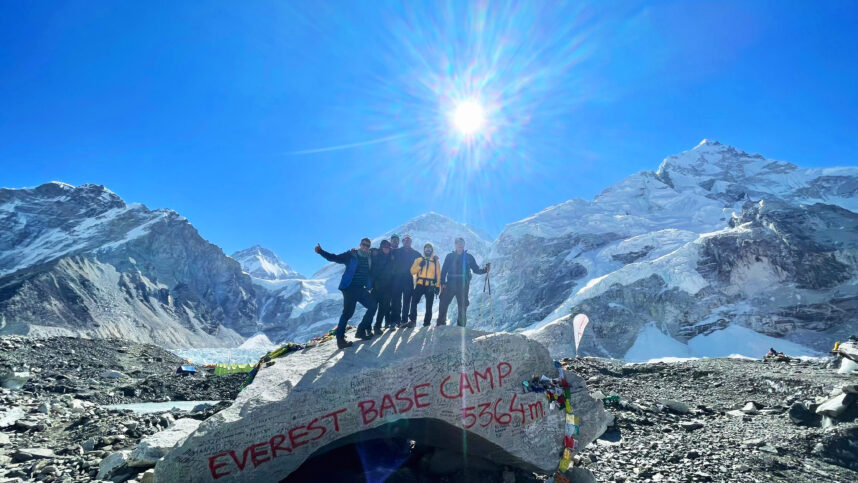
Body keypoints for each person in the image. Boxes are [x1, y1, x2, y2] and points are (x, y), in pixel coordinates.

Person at [315, 238, 378, 349]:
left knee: (373, 306)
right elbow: (335, 258)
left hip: (360, 288)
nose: (365, 247)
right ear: (360, 244)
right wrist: (321, 251)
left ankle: (361, 331)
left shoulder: (369, 257)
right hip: (349, 288)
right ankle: (340, 339)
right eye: (364, 244)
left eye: (367, 245)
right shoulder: (351, 255)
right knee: (348, 313)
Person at [437, 236, 490, 327]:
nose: (460, 245)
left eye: (461, 243)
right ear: (455, 245)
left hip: (463, 285)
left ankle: (461, 327)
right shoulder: (449, 256)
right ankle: (441, 324)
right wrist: (443, 283)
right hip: (450, 284)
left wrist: (485, 270)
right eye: (458, 243)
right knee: (443, 303)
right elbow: (444, 270)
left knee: (462, 306)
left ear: (464, 244)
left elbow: (476, 269)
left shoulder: (469, 257)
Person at [408, 242, 441, 327]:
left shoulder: (435, 261)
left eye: (430, 248)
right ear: (424, 250)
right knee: (414, 302)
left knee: (429, 305)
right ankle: (413, 321)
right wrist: (419, 266)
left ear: (432, 250)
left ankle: (426, 323)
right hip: (420, 284)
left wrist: (437, 286)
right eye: (426, 248)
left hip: (430, 286)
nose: (428, 250)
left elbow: (438, 274)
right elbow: (412, 271)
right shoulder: (419, 260)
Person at [391, 234, 420, 328]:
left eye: (409, 241)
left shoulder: (414, 252)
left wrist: (434, 258)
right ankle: (396, 321)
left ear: (411, 242)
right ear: (402, 242)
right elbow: (385, 252)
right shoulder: (396, 251)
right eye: (405, 240)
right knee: (397, 301)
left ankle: (404, 320)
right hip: (397, 280)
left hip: (408, 279)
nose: (407, 242)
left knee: (407, 301)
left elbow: (423, 258)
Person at [371, 239, 397, 335]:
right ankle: (366, 327)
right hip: (376, 287)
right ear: (381, 247)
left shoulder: (391, 257)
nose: (386, 248)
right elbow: (366, 252)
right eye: (384, 246)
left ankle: (377, 327)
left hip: (387, 288)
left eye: (388, 247)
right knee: (372, 308)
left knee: (382, 309)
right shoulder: (376, 255)